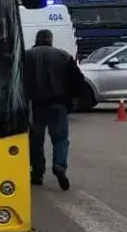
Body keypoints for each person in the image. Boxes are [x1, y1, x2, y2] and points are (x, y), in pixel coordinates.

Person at [22, 28, 87, 190]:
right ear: (50, 40)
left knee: (35, 141)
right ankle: (59, 165)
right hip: (59, 104)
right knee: (60, 139)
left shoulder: (26, 56)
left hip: (35, 105)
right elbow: (78, 79)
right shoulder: (64, 56)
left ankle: (37, 172)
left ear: (37, 39)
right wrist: (75, 99)